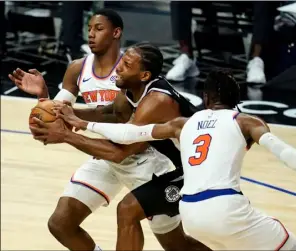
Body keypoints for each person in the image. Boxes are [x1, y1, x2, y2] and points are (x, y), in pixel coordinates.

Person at [53, 68, 296, 250]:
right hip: (226, 208)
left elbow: (131, 133)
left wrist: (81, 124)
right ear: (237, 98)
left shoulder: (184, 123)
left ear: (206, 99)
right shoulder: (246, 121)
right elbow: (288, 155)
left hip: (190, 212)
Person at [9, 10, 208, 251]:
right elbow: (94, 113)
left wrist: (70, 132)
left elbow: (120, 147)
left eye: (98, 28)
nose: (91, 34)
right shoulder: (83, 70)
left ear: (116, 33)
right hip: (108, 153)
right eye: (89, 28)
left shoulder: (138, 78)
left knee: (175, 244)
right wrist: (44, 99)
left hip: (151, 162)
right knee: (61, 223)